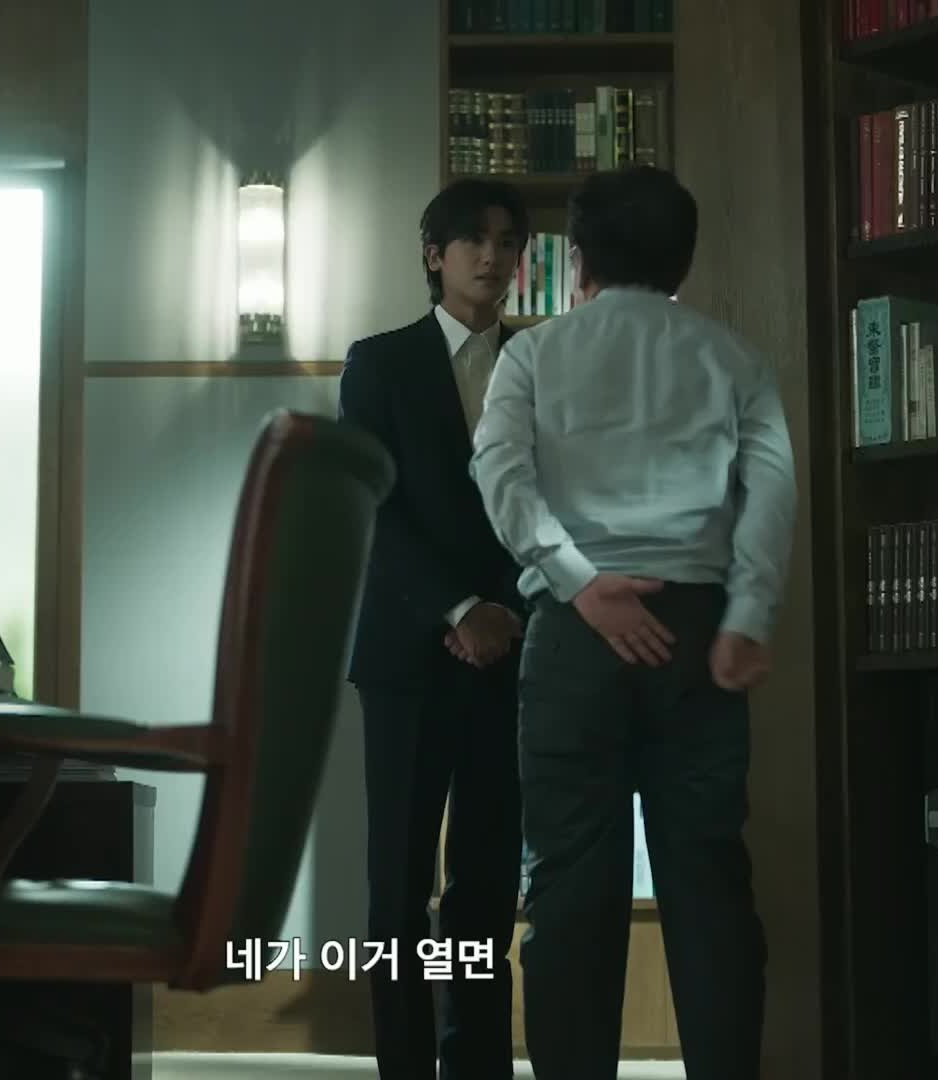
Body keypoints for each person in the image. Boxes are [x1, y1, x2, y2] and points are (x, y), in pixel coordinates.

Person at [468, 165, 795, 1080]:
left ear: (576, 260)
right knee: (710, 883)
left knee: (569, 885)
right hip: (697, 630)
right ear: (683, 261)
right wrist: (748, 612)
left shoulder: (532, 355)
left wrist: (577, 582)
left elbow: (499, 472)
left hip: (574, 635)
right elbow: (771, 490)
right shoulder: (734, 357)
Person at [338, 177, 532, 1080]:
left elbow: (556, 501)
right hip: (408, 658)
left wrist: (504, 613)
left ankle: (477, 1064)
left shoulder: (540, 361)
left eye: (506, 242)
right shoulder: (380, 363)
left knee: (486, 887)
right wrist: (459, 609)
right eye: (472, 241)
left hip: (510, 653)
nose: (491, 257)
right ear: (433, 254)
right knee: (398, 888)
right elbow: (370, 505)